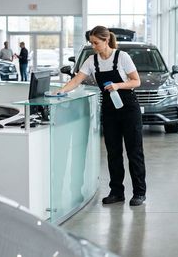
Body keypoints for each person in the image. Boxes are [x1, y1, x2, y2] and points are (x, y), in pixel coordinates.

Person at [56, 26, 146, 206]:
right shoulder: (92, 60)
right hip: (109, 109)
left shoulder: (122, 57)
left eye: (96, 43)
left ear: (106, 41)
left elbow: (136, 81)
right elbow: (76, 79)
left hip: (128, 108)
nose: (93, 46)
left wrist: (118, 85)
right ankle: (116, 192)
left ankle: (139, 193)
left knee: (134, 151)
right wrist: (61, 91)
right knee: (113, 152)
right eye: (91, 43)